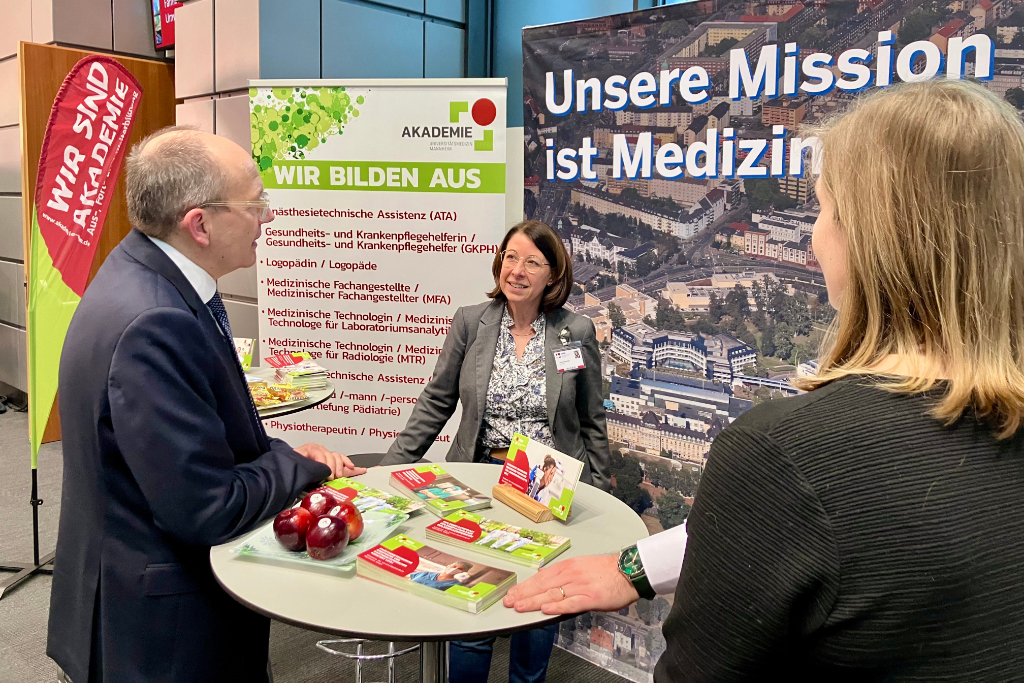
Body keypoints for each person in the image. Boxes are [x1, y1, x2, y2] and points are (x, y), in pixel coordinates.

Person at [504, 78, 1024, 681]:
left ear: (876, 240)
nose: (812, 236)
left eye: (825, 209)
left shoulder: (784, 453)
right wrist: (636, 566)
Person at [46, 127, 365, 683]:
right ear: (200, 223)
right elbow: (207, 507)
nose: (267, 217)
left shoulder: (139, 273)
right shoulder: (155, 321)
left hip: (130, 587)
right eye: (255, 202)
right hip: (164, 629)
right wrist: (298, 463)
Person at [381, 219, 611, 683]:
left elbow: (591, 419)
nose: (517, 270)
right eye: (510, 257)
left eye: (532, 261)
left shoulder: (576, 331)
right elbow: (436, 400)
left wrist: (604, 491)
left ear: (553, 274)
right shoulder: (472, 321)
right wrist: (390, 468)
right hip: (478, 482)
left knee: (538, 607)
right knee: (471, 600)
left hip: (547, 489)